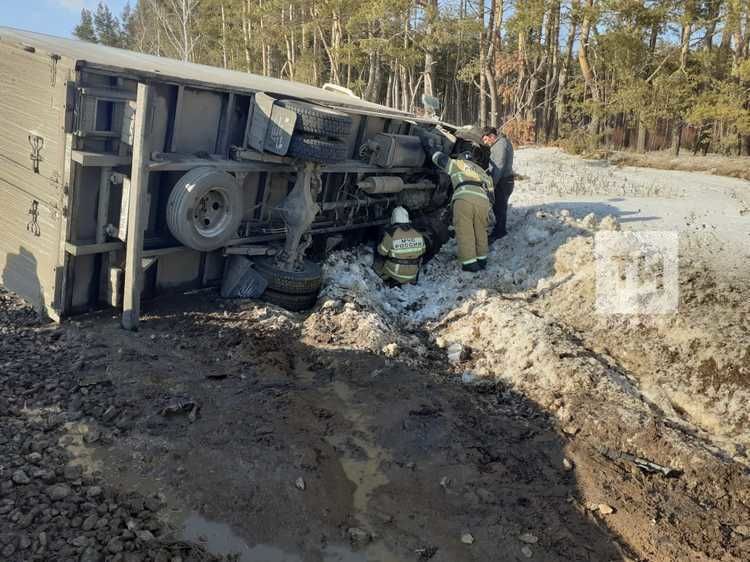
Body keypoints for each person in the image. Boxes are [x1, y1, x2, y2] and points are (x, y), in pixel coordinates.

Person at [432, 151, 493, 272]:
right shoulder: (482, 171)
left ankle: (470, 264)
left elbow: (440, 159)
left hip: (464, 198)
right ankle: (482, 260)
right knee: (480, 231)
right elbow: (491, 194)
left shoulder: (458, 163)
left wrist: (432, 150)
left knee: (465, 231)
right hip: (483, 202)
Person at [373, 206, 426, 285]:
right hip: (413, 274)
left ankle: (388, 278)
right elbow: (423, 251)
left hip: (395, 272)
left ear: (393, 218)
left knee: (376, 265)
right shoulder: (418, 234)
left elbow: (382, 252)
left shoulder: (391, 233)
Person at [481, 127, 514, 240]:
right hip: (502, 180)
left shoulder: (500, 145)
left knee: (500, 207)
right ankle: (499, 229)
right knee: (498, 206)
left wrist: (492, 184)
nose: (485, 142)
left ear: (492, 136)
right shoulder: (499, 143)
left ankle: (500, 232)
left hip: (503, 182)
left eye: (486, 139)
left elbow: (499, 166)